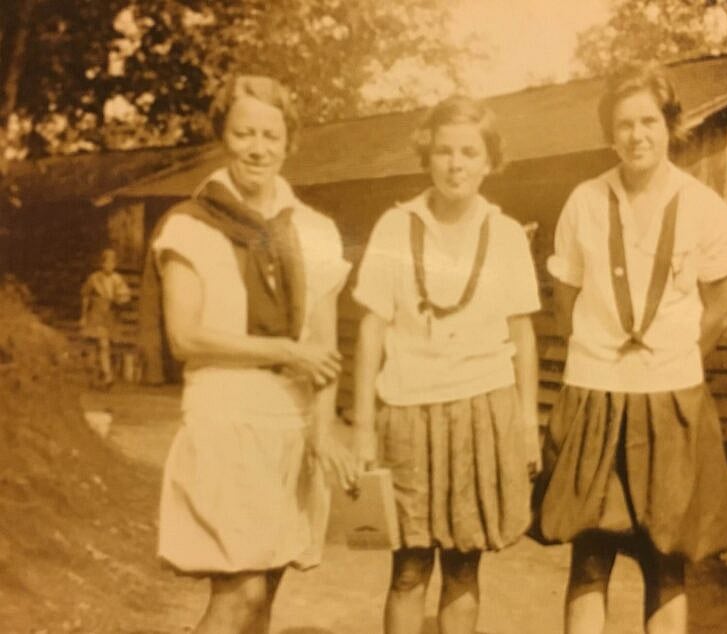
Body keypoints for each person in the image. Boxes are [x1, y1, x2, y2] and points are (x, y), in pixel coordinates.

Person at [536, 62, 727, 634]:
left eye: (648, 121)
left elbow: (721, 304)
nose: (637, 135)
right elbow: (565, 299)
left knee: (667, 562)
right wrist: (601, 353)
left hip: (670, 397)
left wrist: (674, 359)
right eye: (624, 124)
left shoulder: (704, 205)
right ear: (611, 132)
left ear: (669, 125)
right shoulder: (583, 201)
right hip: (596, 394)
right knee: (590, 557)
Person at [145, 75, 356, 634]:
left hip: (287, 423)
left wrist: (321, 427)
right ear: (222, 136)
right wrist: (283, 349)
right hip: (224, 415)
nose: (257, 148)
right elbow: (184, 337)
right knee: (240, 592)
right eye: (243, 133)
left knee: (265, 595)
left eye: (270, 134)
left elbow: (325, 348)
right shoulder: (190, 227)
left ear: (289, 142)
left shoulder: (314, 230)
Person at [351, 95, 542, 634]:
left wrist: (527, 424)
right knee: (409, 569)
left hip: (482, 410)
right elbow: (371, 329)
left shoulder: (503, 234)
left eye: (469, 152)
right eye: (443, 151)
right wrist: (363, 428)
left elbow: (522, 332)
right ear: (427, 157)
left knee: (463, 564)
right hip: (408, 411)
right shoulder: (395, 226)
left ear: (489, 160)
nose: (455, 164)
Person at [79, 248, 131, 387]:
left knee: (104, 346)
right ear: (102, 264)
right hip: (96, 315)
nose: (109, 266)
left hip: (110, 316)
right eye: (106, 263)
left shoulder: (117, 279)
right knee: (99, 345)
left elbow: (125, 295)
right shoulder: (94, 278)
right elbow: (86, 296)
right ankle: (104, 375)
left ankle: (103, 374)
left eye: (112, 263)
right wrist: (83, 316)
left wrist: (121, 300)